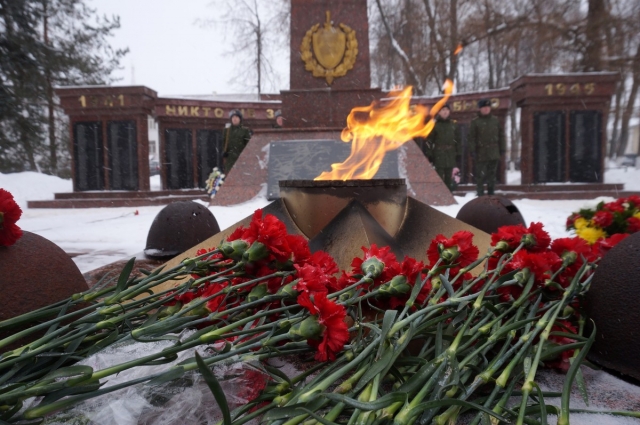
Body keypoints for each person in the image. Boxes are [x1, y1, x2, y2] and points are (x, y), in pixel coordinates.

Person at [468, 98, 506, 196]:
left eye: (488, 107)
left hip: (493, 152)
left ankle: (491, 195)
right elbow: (472, 138)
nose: (486, 109)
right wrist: (472, 151)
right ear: (480, 109)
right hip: (481, 152)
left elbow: (501, 135)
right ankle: (480, 195)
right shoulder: (475, 122)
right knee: (480, 176)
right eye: (484, 107)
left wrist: (502, 148)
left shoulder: (495, 120)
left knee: (492, 176)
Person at [424, 104, 460, 191]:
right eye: (443, 110)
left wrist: (458, 153)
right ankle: (439, 195)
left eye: (447, 110)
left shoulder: (453, 124)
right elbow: (429, 141)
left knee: (449, 177)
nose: (445, 112)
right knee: (439, 177)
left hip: (450, 154)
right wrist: (430, 154)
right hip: (438, 154)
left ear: (449, 111)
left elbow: (458, 140)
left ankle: (449, 197)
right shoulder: (434, 125)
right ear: (439, 112)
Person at [222, 109, 252, 174]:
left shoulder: (245, 130)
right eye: (233, 117)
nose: (234, 119)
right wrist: (224, 152)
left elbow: (249, 145)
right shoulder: (226, 131)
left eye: (236, 117)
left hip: (241, 159)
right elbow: (223, 143)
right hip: (230, 159)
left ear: (240, 119)